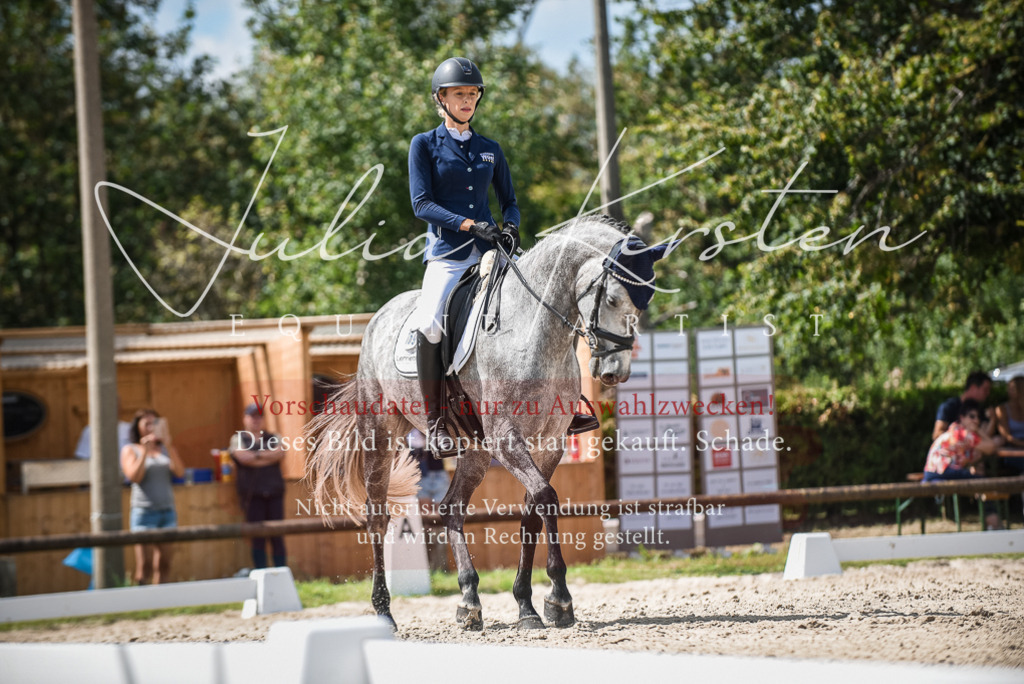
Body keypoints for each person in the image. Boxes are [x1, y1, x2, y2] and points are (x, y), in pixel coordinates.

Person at [408, 56, 597, 453]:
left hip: (491, 253)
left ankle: (569, 404)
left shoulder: (489, 149)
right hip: (448, 255)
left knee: (542, 306)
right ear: (441, 99)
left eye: (472, 94)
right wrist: (469, 225)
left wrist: (510, 226)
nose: (467, 101)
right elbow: (421, 204)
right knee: (429, 323)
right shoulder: (424, 145)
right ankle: (436, 421)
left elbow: (509, 201)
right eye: (459, 94)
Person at [120, 408, 184, 584]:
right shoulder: (130, 449)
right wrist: (144, 452)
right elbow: (134, 477)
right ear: (137, 426)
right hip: (144, 513)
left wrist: (168, 445)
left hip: (167, 511)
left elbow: (179, 472)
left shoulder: (164, 449)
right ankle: (141, 598)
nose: (150, 427)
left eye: (154, 423)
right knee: (145, 566)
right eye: (146, 423)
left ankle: (161, 597)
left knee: (165, 564)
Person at [923, 399, 1005, 529]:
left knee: (980, 482)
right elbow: (991, 447)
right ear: (962, 417)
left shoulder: (955, 429)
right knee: (983, 483)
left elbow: (977, 454)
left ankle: (992, 522)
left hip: (934, 472)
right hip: (942, 471)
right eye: (972, 416)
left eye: (977, 417)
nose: (975, 420)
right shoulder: (963, 433)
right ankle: (994, 523)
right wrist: (979, 430)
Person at [229, 403, 287, 569]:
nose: (256, 419)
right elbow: (242, 457)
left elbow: (280, 453)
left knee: (277, 535)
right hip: (252, 495)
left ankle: (281, 571)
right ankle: (261, 572)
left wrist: (254, 456)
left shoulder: (274, 437)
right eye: (252, 416)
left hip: (274, 493)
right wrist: (267, 457)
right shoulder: (238, 438)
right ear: (245, 418)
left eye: (259, 416)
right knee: (257, 537)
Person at [409, 428, 450, 571]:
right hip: (421, 475)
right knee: (426, 521)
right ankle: (429, 565)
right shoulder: (409, 431)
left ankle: (440, 565)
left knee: (439, 521)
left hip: (437, 474)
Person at [932, 370, 993, 440]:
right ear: (973, 387)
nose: (988, 393)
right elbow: (937, 435)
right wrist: (960, 434)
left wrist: (993, 419)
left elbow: (986, 438)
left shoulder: (980, 409)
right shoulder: (949, 406)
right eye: (985, 389)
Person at [994, 376, 1024, 474]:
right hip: (1012, 448)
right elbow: (1006, 436)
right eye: (1009, 389)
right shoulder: (1002, 409)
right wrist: (1021, 444)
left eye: (1013, 389)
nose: (1009, 392)